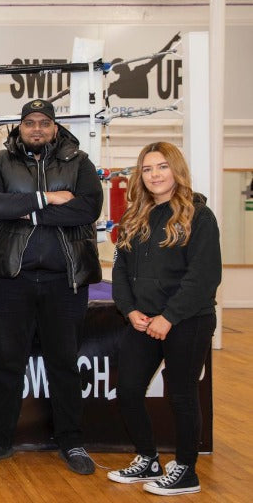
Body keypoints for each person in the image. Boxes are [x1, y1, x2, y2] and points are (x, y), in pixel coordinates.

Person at [0, 98, 103, 475]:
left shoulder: (79, 162)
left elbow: (87, 209)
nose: (37, 129)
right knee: (8, 362)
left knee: (64, 363)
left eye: (44, 123)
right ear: (20, 127)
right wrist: (48, 199)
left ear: (55, 127)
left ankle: (71, 441)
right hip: (11, 279)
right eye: (30, 122)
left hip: (65, 280)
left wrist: (26, 211)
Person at [108, 142, 220, 496]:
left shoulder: (199, 215)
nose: (154, 175)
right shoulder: (134, 217)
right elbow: (120, 271)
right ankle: (148, 459)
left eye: (162, 167)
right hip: (142, 321)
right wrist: (130, 310)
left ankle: (186, 471)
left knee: (182, 395)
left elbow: (203, 277)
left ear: (176, 170)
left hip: (188, 320)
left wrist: (169, 317)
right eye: (147, 169)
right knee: (128, 390)